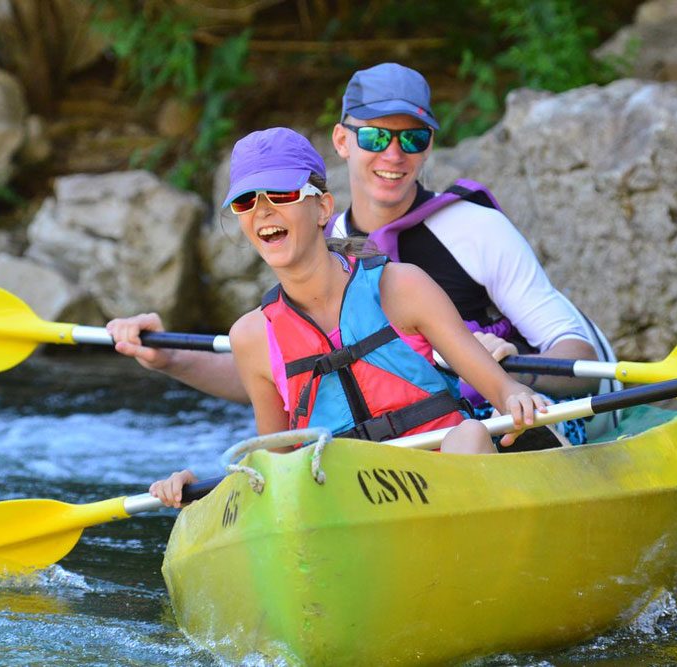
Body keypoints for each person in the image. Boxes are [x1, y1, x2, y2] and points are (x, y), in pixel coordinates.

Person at [109, 62, 617, 444]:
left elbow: (580, 353)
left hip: (496, 422)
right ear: (343, 141)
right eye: (375, 135)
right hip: (388, 454)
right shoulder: (322, 249)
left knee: (471, 436)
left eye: (412, 138)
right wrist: (171, 357)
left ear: (428, 146)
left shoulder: (473, 231)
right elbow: (289, 376)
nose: (393, 154)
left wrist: (507, 369)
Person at [148, 128, 549, 508]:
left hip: (443, 481)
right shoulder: (251, 336)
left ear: (322, 208)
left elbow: (502, 390)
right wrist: (195, 492)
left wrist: (517, 400)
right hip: (345, 508)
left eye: (281, 194)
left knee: (471, 432)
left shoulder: (402, 287)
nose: (263, 210)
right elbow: (274, 471)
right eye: (245, 201)